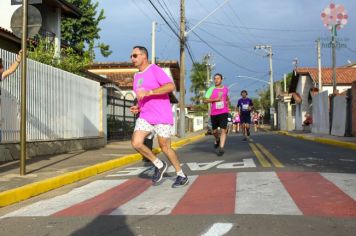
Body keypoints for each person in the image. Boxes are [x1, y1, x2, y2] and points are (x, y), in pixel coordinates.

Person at [129, 46, 188, 188]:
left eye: (135, 55)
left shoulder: (154, 69)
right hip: (145, 116)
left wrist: (150, 92)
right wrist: (138, 106)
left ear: (144, 56)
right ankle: (159, 164)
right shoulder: (136, 76)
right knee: (136, 143)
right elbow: (141, 95)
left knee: (164, 147)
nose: (132, 58)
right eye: (131, 56)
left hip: (161, 114)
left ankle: (181, 175)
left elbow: (170, 86)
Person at [204, 73, 230, 156]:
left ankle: (221, 148)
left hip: (223, 112)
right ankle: (217, 139)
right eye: (215, 78)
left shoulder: (225, 89)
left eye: (218, 78)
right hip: (214, 113)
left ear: (221, 80)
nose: (216, 80)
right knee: (214, 131)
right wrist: (215, 99)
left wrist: (227, 103)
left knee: (223, 130)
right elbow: (205, 100)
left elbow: (226, 97)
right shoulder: (211, 89)